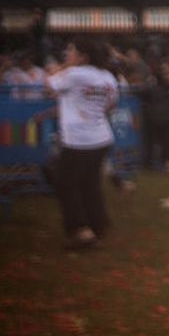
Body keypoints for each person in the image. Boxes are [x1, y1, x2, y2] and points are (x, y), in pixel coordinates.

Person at [46, 37, 119, 249]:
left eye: (71, 51)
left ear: (83, 57)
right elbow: (111, 105)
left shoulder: (74, 75)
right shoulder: (107, 77)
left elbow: (49, 85)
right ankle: (97, 226)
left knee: (65, 184)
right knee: (90, 184)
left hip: (78, 139)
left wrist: (59, 69)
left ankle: (79, 229)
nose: (67, 55)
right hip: (101, 137)